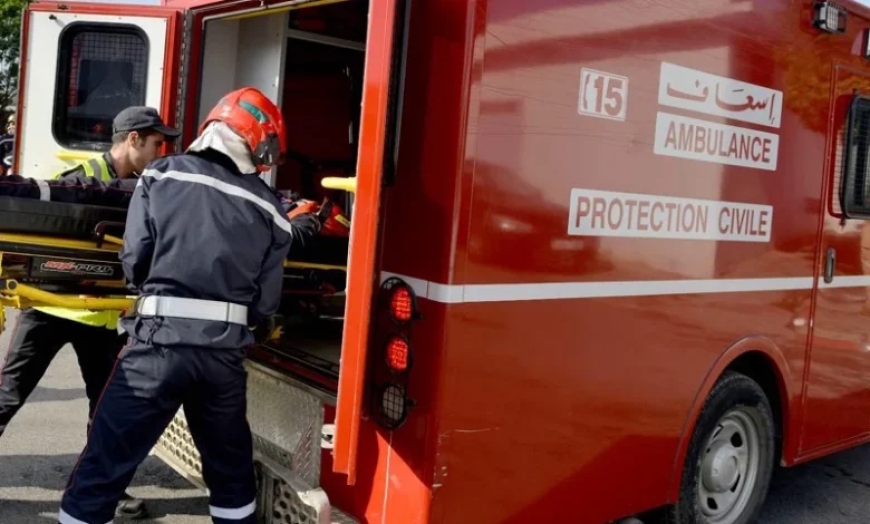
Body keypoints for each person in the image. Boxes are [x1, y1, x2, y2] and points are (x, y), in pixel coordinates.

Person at [57, 87, 324, 524]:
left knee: (105, 464)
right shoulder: (271, 209)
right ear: (258, 143)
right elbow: (265, 303)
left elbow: (136, 257)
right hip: (222, 362)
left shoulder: (162, 175)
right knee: (230, 474)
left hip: (157, 347)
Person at [0, 106, 179, 519]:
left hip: (100, 319)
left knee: (105, 411)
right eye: (156, 143)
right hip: (49, 308)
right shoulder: (76, 181)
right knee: (7, 396)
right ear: (133, 140)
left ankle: (103, 492)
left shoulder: (144, 190)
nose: (160, 151)